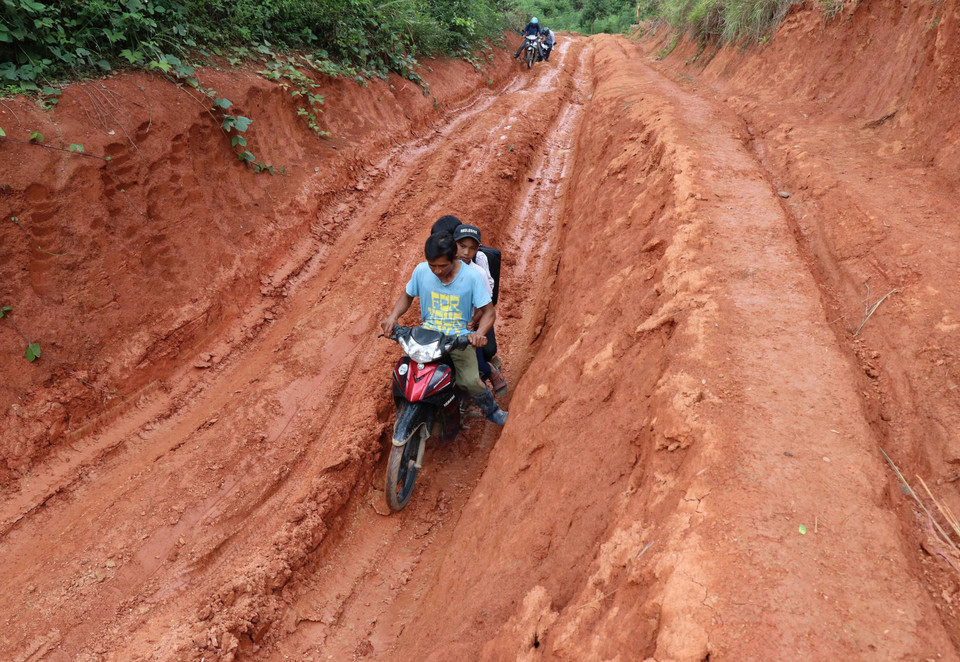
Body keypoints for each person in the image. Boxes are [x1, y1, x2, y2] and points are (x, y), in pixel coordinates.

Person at [381, 232, 508, 426]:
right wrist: (393, 317)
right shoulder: (421, 271)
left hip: (459, 338)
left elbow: (488, 312)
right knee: (407, 376)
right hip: (427, 335)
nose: (437, 271)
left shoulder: (472, 277)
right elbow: (407, 296)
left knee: (470, 381)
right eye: (433, 265)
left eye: (442, 266)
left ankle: (493, 412)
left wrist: (479, 334)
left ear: (454, 258)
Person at [454, 224, 508, 396]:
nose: (466, 252)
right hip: (448, 322)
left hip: (470, 322)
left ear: (477, 249)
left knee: (475, 360)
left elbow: (485, 304)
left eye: (472, 248)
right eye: (462, 246)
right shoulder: (443, 267)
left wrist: (473, 323)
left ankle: (489, 374)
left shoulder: (478, 273)